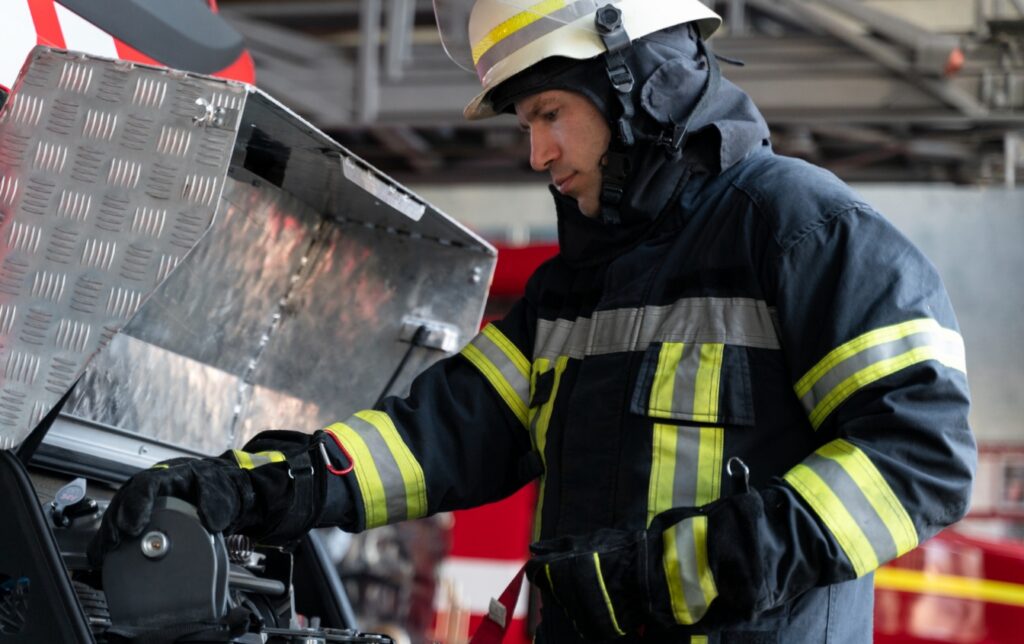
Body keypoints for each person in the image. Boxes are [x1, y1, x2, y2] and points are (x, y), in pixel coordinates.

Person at [91, 1, 977, 641]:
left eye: (550, 113)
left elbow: (920, 456)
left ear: (638, 82)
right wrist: (255, 487)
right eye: (527, 122)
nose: (537, 152)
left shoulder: (803, 232)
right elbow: (437, 437)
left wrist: (679, 575)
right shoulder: (575, 290)